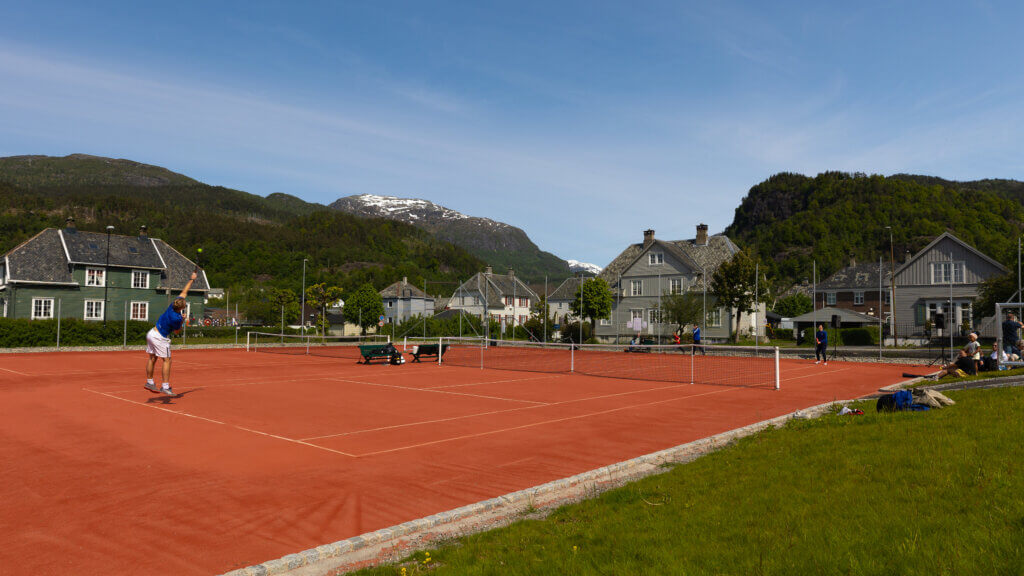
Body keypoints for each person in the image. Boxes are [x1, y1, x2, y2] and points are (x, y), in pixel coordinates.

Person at [144, 271, 198, 396]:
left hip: (152, 332)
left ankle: (149, 382)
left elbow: (184, 292)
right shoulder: (177, 318)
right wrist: (183, 320)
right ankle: (165, 386)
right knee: (167, 360)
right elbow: (177, 331)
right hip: (160, 338)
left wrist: (192, 279)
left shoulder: (173, 304)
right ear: (182, 308)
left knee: (152, 358)